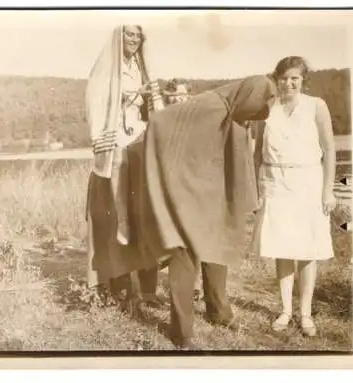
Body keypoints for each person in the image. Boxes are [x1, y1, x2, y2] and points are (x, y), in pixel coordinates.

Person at [134, 74, 277, 348]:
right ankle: (181, 331)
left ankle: (218, 312)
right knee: (183, 255)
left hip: (211, 194)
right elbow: (161, 122)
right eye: (260, 103)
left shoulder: (235, 109)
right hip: (184, 194)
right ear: (250, 95)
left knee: (217, 249)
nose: (257, 113)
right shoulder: (211, 104)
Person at [252, 56, 337, 337]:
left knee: (307, 249)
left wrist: (328, 189)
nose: (288, 83)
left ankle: (306, 313)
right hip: (276, 183)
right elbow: (256, 154)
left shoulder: (316, 106)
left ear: (303, 80)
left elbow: (330, 150)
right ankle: (286, 310)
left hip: (308, 183)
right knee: (282, 247)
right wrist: (258, 187)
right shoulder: (269, 108)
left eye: (295, 78)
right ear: (277, 79)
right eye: (284, 78)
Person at [85, 25, 164, 311]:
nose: (134, 40)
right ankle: (119, 286)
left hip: (139, 139)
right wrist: (131, 94)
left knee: (145, 212)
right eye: (129, 34)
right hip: (116, 141)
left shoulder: (141, 66)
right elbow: (98, 99)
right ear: (118, 36)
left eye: (138, 35)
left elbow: (149, 104)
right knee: (120, 216)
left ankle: (148, 289)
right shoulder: (106, 66)